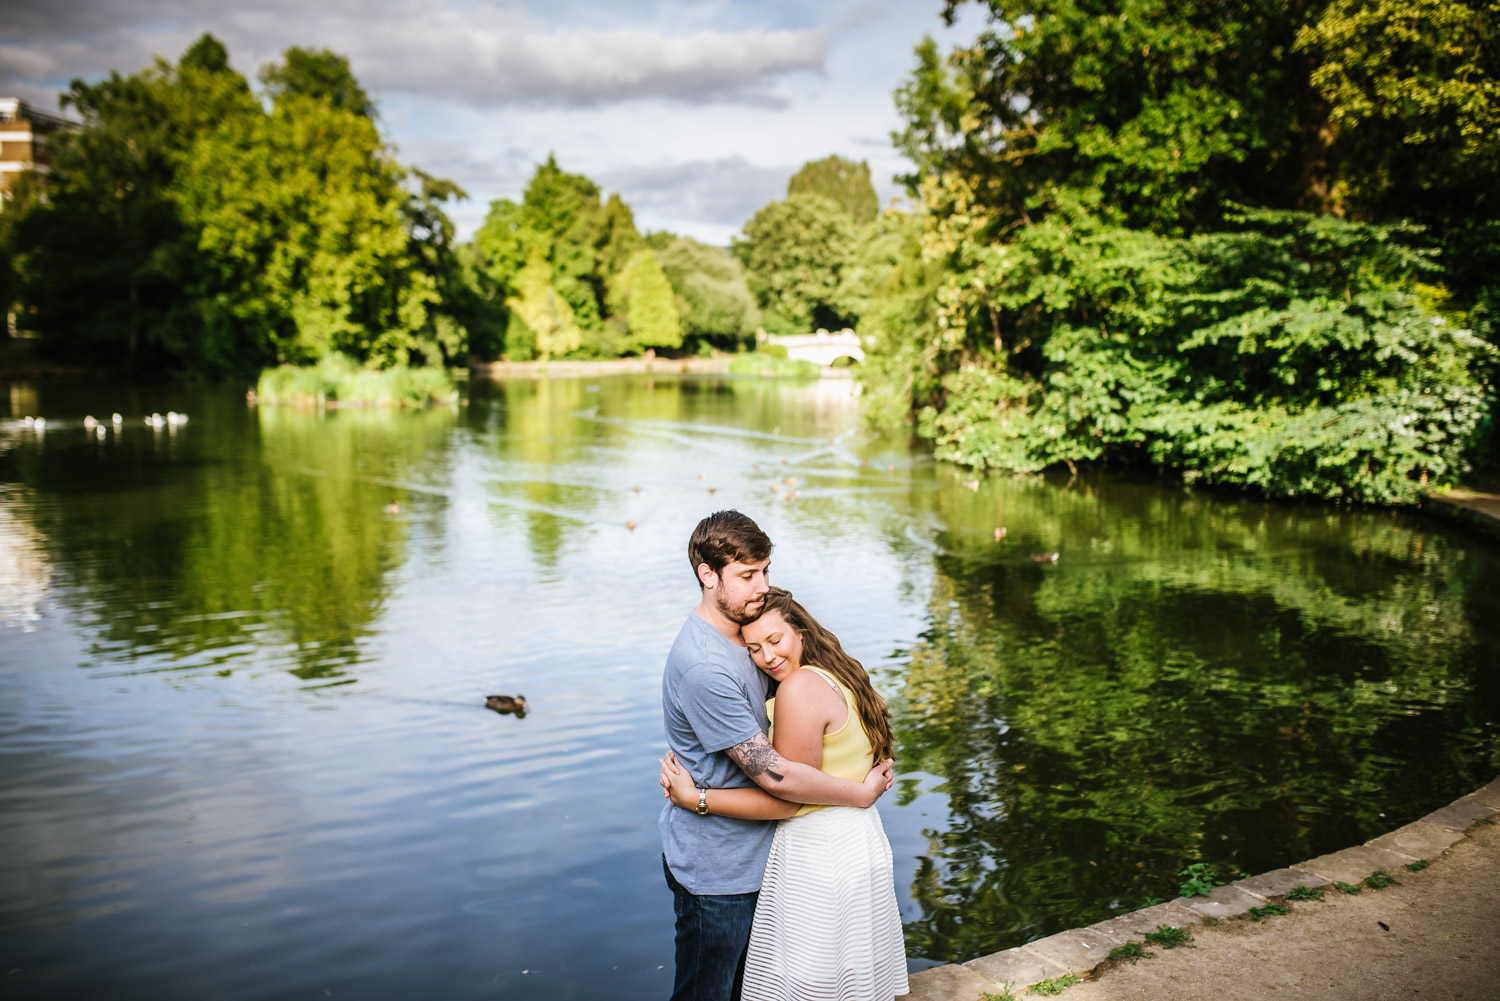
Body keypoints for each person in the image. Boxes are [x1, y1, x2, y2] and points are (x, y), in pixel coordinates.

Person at [662, 511, 894, 1001]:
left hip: (771, 858)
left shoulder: (750, 635)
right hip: (721, 874)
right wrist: (859, 793)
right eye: (747, 576)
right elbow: (783, 784)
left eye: (765, 571)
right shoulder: (706, 668)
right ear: (708, 575)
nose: (762, 586)